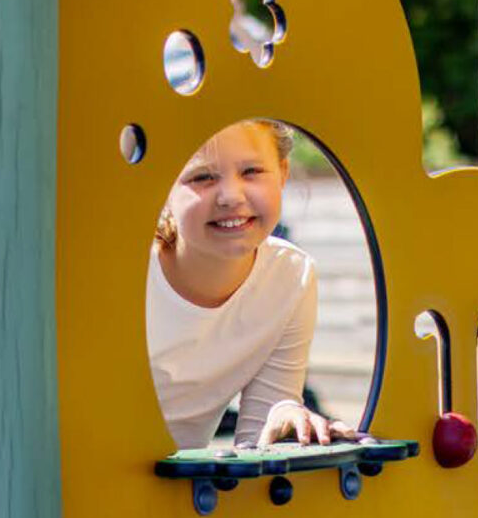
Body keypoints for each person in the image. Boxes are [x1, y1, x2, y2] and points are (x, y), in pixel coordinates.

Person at [148, 119, 356, 448]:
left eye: (252, 172)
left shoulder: (290, 277)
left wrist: (285, 416)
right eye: (202, 177)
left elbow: (255, 449)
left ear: (283, 173)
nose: (231, 196)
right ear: (160, 186)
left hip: (177, 494)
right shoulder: (134, 272)